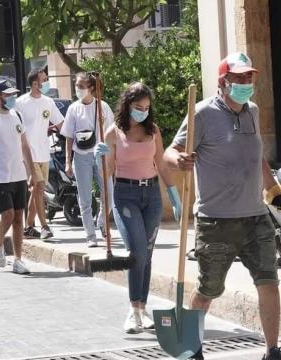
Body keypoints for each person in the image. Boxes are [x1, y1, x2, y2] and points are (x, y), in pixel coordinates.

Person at [164, 53, 281, 360]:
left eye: (249, 78)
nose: (246, 83)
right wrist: (179, 160)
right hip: (216, 222)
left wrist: (272, 189)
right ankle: (190, 347)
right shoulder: (201, 113)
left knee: (269, 283)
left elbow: (257, 157)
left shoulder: (253, 111)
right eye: (240, 78)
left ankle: (272, 350)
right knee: (208, 291)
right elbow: (170, 151)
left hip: (256, 217)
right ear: (223, 81)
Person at [96, 82, 182, 333]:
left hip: (152, 194)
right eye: (138, 107)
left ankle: (142, 309)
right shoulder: (113, 132)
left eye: (146, 107)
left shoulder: (153, 130)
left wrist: (174, 196)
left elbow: (162, 164)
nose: (142, 111)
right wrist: (99, 156)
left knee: (147, 253)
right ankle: (133, 311)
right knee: (137, 252)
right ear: (127, 105)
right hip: (125, 194)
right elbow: (108, 172)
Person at [60, 72, 126, 248]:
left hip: (101, 155)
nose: (78, 89)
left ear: (91, 88)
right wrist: (68, 161)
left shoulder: (102, 107)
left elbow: (113, 134)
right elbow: (69, 137)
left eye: (81, 86)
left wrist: (114, 156)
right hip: (81, 157)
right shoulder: (73, 108)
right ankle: (90, 235)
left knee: (109, 194)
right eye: (76, 85)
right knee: (85, 198)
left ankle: (102, 223)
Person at [0, 80, 36, 274]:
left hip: (18, 174)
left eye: (12, 95)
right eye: (7, 95)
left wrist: (32, 173)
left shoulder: (17, 115)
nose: (11, 98)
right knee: (8, 215)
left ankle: (18, 259)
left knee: (19, 217)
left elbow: (25, 146)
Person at [15, 68, 64, 240]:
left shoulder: (48, 102)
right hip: (27, 153)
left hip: (43, 152)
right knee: (37, 187)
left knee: (39, 188)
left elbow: (60, 123)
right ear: (35, 83)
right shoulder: (20, 102)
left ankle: (28, 226)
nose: (47, 82)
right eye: (44, 79)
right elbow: (15, 128)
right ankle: (44, 226)